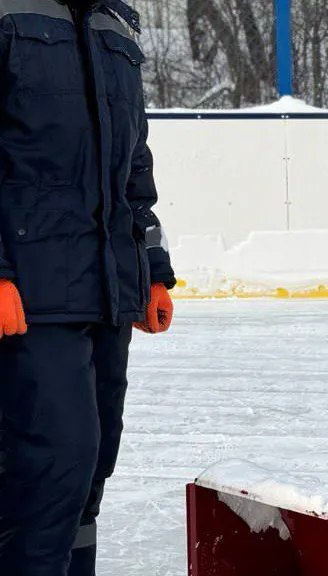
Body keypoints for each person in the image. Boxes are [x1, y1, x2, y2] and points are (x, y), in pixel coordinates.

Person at [0, 1, 176, 574]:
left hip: (107, 286)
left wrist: (152, 270)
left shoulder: (115, 23)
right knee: (54, 462)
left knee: (92, 465)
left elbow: (135, 164)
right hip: (29, 290)